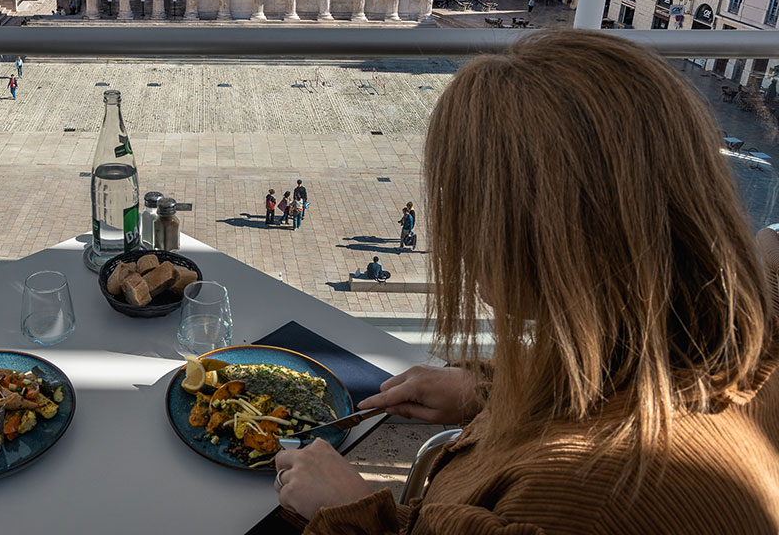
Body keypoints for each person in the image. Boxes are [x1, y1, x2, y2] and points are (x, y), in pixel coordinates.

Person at [272, 30, 779, 534]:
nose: (453, 225)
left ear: (540, 236)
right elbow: (606, 387)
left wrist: (354, 515)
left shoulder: (584, 496)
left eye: (465, 197)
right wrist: (495, 392)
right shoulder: (731, 339)